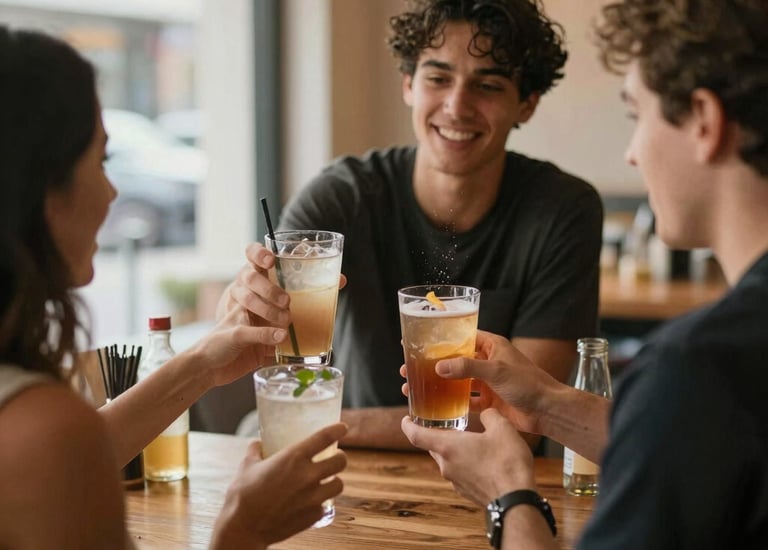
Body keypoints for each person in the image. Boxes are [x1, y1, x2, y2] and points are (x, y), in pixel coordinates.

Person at [401, 0, 768, 548]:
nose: (631, 153)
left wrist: (509, 496)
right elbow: (699, 443)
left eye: (635, 115)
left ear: (703, 122)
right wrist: (545, 403)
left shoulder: (696, 369)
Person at [0, 26, 346, 549]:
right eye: (102, 160)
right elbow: (63, 450)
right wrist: (240, 534)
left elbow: (87, 447)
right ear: (46, 191)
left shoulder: (40, 424)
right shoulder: (44, 430)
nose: (114, 190)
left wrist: (206, 361)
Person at [219, 0, 603, 449]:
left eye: (489, 85)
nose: (457, 106)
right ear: (408, 85)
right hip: (352, 478)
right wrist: (242, 305)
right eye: (438, 79)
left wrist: (332, 422)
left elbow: (527, 417)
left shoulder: (563, 209)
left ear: (527, 104)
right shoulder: (341, 198)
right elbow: (267, 346)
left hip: (497, 475)